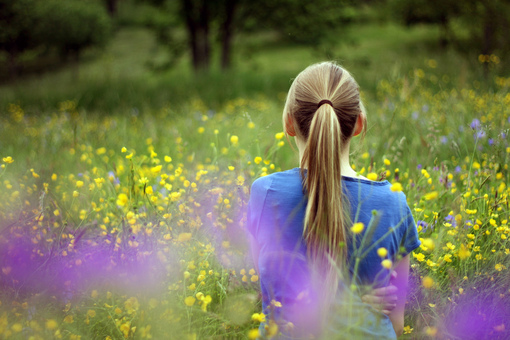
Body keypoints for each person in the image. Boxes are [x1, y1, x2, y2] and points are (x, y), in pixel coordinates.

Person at [246, 62, 421, 339]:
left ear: (290, 124)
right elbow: (397, 325)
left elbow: (269, 286)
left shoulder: (265, 193)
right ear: (358, 125)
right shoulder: (393, 204)